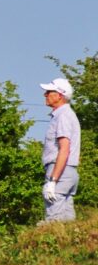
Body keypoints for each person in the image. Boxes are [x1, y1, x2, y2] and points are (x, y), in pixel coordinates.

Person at [40, 78, 81, 223]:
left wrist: (53, 180)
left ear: (60, 95)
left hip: (60, 171)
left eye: (49, 91)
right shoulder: (67, 114)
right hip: (69, 171)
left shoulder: (62, 116)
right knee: (67, 220)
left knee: (54, 219)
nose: (45, 94)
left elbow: (64, 149)